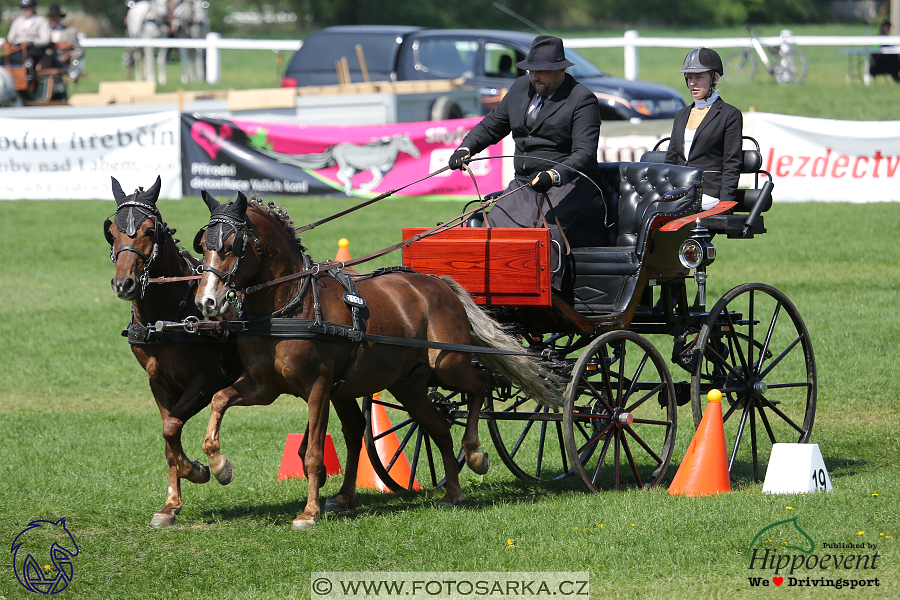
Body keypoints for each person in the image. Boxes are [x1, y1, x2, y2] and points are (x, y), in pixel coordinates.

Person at [448, 35, 602, 290]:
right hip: (525, 183)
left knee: (544, 235)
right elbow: (492, 125)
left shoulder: (582, 99)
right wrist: (466, 147)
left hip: (569, 182)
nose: (534, 77)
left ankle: (544, 298)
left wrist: (553, 175)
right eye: (531, 70)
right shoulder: (521, 88)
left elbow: (584, 154)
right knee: (493, 227)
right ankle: (489, 293)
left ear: (561, 70)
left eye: (541, 72)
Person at [664, 47, 743, 211]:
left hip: (709, 193)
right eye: (689, 77)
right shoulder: (681, 115)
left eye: (699, 77)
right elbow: (671, 160)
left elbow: (731, 163)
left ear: (714, 78)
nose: (692, 82)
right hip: (679, 190)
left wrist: (726, 203)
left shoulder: (729, 115)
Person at [4, 0, 52, 69]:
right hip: (18, 48)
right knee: (5, 58)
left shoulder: (41, 21)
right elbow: (10, 37)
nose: (25, 10)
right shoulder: (18, 21)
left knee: (25, 59)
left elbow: (45, 39)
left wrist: (32, 42)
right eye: (23, 8)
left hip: (34, 48)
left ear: (33, 7)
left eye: (28, 7)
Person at [47, 5, 84, 76]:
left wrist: (69, 55)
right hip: (47, 61)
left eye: (55, 16)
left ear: (60, 17)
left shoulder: (70, 31)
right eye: (51, 16)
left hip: (63, 62)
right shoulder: (45, 31)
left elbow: (79, 50)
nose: (53, 19)